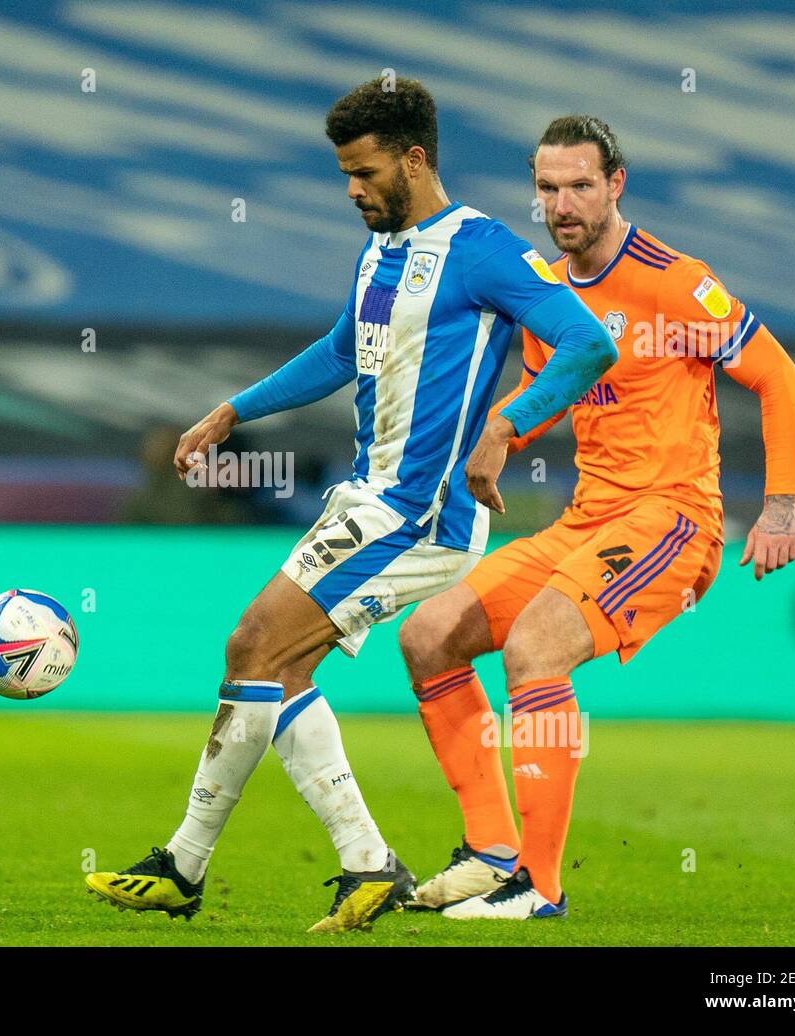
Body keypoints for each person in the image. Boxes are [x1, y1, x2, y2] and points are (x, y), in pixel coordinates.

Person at [84, 79, 617, 932]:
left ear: (414, 159)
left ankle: (187, 866)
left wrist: (505, 429)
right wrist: (233, 411)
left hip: (417, 515)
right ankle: (364, 865)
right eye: (343, 172)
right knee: (277, 665)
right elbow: (342, 350)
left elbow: (592, 341)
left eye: (364, 171)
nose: (351, 189)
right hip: (369, 501)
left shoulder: (481, 250)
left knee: (253, 645)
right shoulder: (381, 250)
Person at [400, 115, 795, 919]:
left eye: (580, 185)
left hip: (673, 518)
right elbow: (554, 393)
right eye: (548, 189)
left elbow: (780, 378)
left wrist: (783, 505)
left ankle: (538, 887)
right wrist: (496, 432)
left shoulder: (673, 281)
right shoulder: (548, 295)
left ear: (615, 184)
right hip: (588, 522)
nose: (563, 204)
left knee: (535, 646)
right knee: (427, 635)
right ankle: (491, 853)